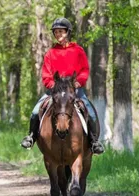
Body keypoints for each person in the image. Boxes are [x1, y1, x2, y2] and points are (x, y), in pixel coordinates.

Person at [19, 17, 104, 154]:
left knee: (90, 111)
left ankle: (94, 142)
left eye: (61, 31)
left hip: (74, 89)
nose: (58, 35)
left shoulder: (78, 51)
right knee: (35, 111)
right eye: (56, 32)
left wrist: (78, 82)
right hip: (55, 90)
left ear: (68, 32)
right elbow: (46, 74)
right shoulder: (50, 53)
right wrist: (52, 85)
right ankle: (31, 137)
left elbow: (84, 70)